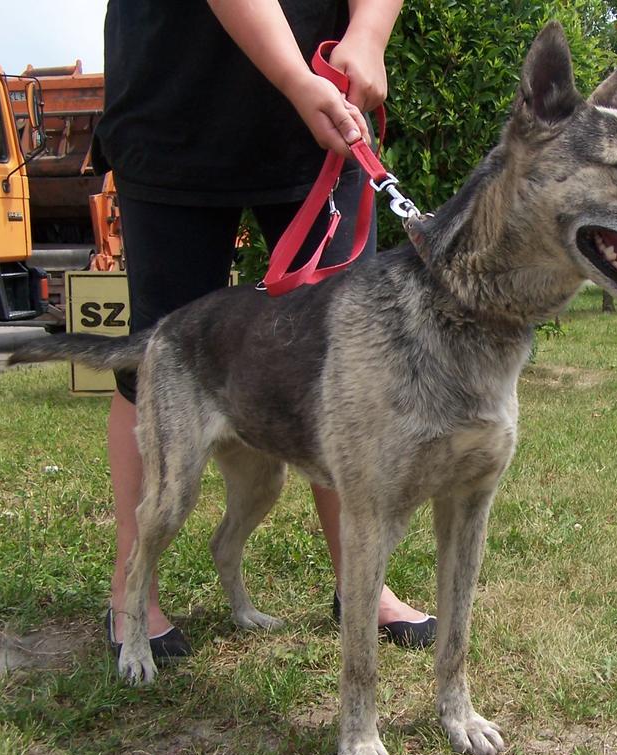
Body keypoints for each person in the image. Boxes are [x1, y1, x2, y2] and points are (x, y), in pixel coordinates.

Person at [94, 0, 436, 658]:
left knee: (348, 365)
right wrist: (292, 78)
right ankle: (130, 593)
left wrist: (368, 33)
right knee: (153, 363)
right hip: (177, 101)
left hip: (319, 119)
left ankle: (363, 584)